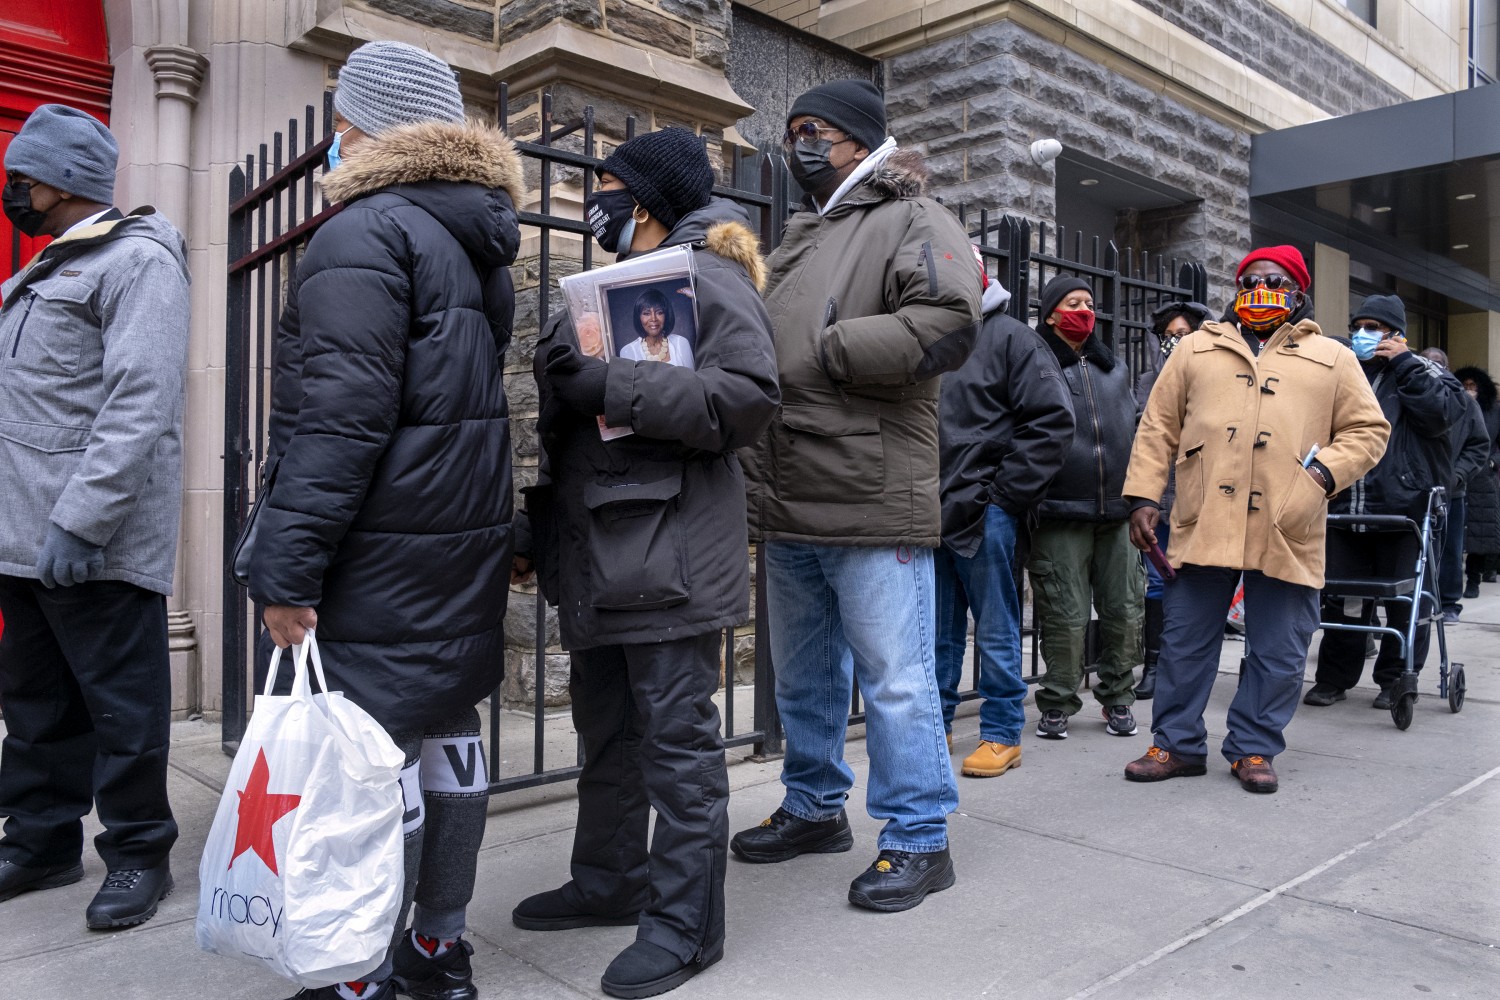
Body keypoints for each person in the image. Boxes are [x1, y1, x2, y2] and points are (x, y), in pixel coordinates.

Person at [247, 41, 522, 1000]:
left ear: (369, 124)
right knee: (445, 729)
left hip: (381, 545)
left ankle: (358, 967)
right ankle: (438, 951)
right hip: (456, 536)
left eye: (340, 116)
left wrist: (286, 565)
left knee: (365, 760)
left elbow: (340, 418)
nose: (331, 136)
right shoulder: (472, 234)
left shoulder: (365, 231)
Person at [509, 127, 778, 999]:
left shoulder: (708, 275)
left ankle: (686, 926)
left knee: (677, 749)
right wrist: (533, 529)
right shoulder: (603, 287)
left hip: (668, 557)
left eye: (615, 188)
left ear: (652, 201)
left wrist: (607, 384)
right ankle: (609, 881)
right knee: (608, 736)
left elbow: (747, 399)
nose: (600, 202)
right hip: (599, 555)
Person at [734, 79, 980, 912]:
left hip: (871, 493)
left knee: (895, 679)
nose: (799, 145)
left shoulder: (915, 218)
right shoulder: (812, 229)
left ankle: (919, 838)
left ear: (860, 141)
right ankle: (813, 807)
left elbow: (951, 319)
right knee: (803, 678)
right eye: (792, 129)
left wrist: (832, 349)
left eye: (816, 131)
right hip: (794, 489)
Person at [0, 104, 188, 929]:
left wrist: (83, 520)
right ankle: (39, 841)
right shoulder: (45, 268)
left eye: (23, 177)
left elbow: (138, 401)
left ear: (57, 181)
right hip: (20, 536)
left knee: (122, 707)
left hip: (88, 540)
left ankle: (140, 852)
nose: (14, 190)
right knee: (36, 704)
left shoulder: (137, 261)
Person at [1123, 246, 1388, 793]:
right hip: (1204, 517)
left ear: (1298, 291)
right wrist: (1143, 496)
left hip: (1288, 522)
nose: (1261, 289)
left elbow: (1368, 430)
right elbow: (1157, 426)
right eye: (1250, 280)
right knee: (1185, 641)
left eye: (1274, 280)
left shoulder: (1333, 357)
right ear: (1237, 289)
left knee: (1280, 648)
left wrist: (1319, 478)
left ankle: (1253, 747)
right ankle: (1174, 744)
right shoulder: (1198, 347)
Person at [935, 256, 1073, 777]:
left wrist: (1003, 497)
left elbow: (1054, 422)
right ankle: (938, 723)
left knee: (995, 626)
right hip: (936, 507)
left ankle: (1000, 732)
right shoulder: (936, 338)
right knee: (938, 630)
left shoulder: (1013, 338)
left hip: (984, 510)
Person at [1304, 297, 1466, 711]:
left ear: (1396, 333)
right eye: (1358, 325)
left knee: (1403, 601)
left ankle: (1395, 679)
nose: (1363, 334)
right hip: (1348, 505)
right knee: (1343, 600)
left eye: (1374, 326)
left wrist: (1406, 364)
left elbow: (1443, 414)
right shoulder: (1345, 370)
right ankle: (1334, 679)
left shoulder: (1427, 372)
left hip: (1405, 510)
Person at [1026, 275, 1143, 741]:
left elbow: (1136, 429)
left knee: (1125, 608)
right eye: (1073, 303)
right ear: (1051, 313)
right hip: (1058, 510)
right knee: (1064, 613)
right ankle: (1056, 701)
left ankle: (1118, 697)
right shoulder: (1036, 364)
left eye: (1089, 303)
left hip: (1118, 511)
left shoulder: (1114, 368)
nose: (1084, 310)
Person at [1133, 300, 1213, 699]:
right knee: (1157, 584)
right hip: (1160, 502)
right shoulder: (1148, 382)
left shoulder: (1217, 376)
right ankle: (1153, 665)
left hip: (1203, 502)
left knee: (1201, 584)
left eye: (1182, 335)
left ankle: (1189, 667)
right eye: (1167, 337)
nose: (1174, 343)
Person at [1418, 348, 1489, 624]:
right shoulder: (1405, 392)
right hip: (1410, 490)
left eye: (1437, 364)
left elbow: (1478, 445)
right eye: (1425, 362)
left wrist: (1457, 475)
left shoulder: (1465, 402)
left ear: (1447, 368)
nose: (1431, 368)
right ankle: (1417, 601)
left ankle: (1448, 603)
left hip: (1451, 492)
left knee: (1448, 549)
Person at [1454, 366, 1500, 598]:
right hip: (1455, 474)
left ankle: (1474, 579)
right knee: (1454, 534)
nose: (1469, 390)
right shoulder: (1453, 405)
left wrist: (1493, 462)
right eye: (1465, 385)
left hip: (1483, 476)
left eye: (1473, 386)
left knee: (1480, 533)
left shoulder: (1494, 410)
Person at [618, 287, 695, 367]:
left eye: (659, 312)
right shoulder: (628, 351)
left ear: (667, 315)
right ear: (638, 317)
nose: (653, 319)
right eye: (647, 313)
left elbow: (692, 379)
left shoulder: (681, 343)